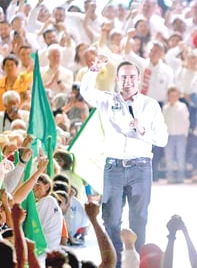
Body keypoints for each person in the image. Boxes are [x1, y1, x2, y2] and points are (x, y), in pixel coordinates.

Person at [80, 60, 168, 267]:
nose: (128, 81)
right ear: (117, 80)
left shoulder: (150, 105)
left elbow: (163, 139)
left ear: (139, 79)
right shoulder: (108, 101)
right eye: (124, 77)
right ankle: (115, 260)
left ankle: (136, 261)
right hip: (114, 167)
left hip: (141, 167)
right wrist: (92, 71)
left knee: (139, 218)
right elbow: (86, 91)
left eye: (132, 77)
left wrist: (142, 129)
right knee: (111, 218)